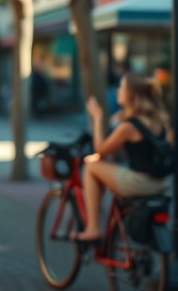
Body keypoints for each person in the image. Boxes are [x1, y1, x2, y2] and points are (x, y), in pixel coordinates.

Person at [73, 72, 171, 242]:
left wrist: (97, 118)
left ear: (131, 95)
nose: (118, 91)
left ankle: (93, 229)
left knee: (91, 168)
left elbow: (101, 149)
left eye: (122, 88)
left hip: (139, 182)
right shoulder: (157, 120)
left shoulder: (128, 126)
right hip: (160, 183)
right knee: (109, 169)